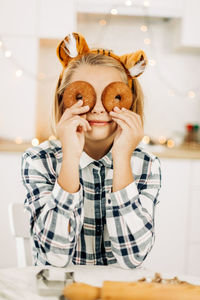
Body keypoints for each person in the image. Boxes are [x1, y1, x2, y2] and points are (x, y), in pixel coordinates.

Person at [21, 32, 162, 268]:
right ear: (62, 102)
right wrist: (70, 158)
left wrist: (122, 158)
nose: (98, 108)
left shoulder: (145, 165)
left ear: (131, 101)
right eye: (82, 96)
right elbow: (54, 257)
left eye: (112, 95)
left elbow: (133, 257)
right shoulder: (39, 159)